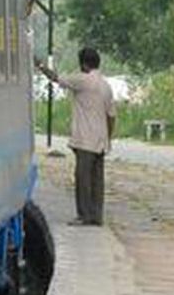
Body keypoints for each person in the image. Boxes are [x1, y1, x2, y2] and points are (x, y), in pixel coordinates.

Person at [35, 47, 116, 226]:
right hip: (100, 140)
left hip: (85, 139)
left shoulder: (82, 80)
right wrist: (108, 138)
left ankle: (84, 215)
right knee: (97, 180)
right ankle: (96, 215)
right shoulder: (105, 85)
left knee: (83, 178)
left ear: (83, 64)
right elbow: (111, 116)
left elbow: (55, 77)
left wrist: (40, 65)